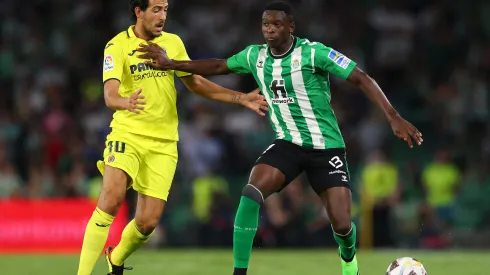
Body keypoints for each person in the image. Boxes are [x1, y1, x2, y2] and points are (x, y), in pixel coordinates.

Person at [136, 1, 424, 275]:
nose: (270, 28)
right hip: (288, 143)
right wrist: (172, 64)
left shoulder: (314, 53)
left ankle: (349, 262)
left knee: (342, 224)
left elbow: (361, 77)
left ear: (291, 27)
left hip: (326, 147)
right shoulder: (254, 56)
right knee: (251, 193)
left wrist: (393, 116)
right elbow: (218, 65)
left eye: (276, 23)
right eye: (265, 24)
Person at [76, 0, 268, 274]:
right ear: (138, 11)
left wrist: (240, 98)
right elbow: (110, 94)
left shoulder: (173, 43)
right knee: (111, 198)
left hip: (164, 143)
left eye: (165, 9)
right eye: (156, 9)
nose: (162, 16)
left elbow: (196, 82)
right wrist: (125, 102)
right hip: (128, 134)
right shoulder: (116, 46)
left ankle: (115, 258)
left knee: (147, 223)